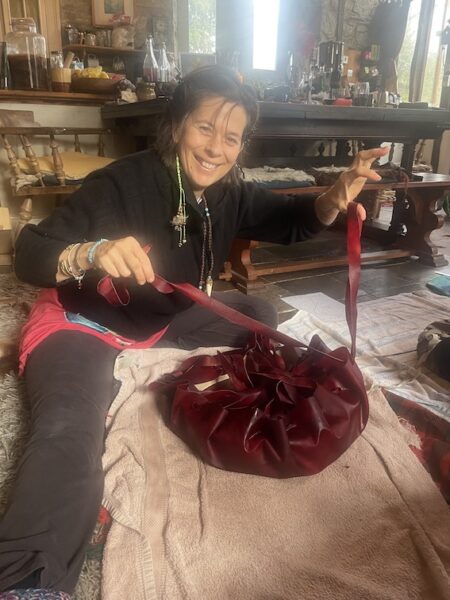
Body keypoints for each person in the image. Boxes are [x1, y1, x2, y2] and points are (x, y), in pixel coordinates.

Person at [0, 65, 388, 599]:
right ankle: (29, 582)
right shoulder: (122, 182)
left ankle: (146, 356)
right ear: (178, 124)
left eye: (231, 137)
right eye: (205, 128)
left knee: (258, 313)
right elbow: (29, 252)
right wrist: (90, 253)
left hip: (159, 320)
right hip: (85, 324)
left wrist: (335, 195)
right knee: (69, 429)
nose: (215, 149)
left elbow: (291, 220)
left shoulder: (226, 192)